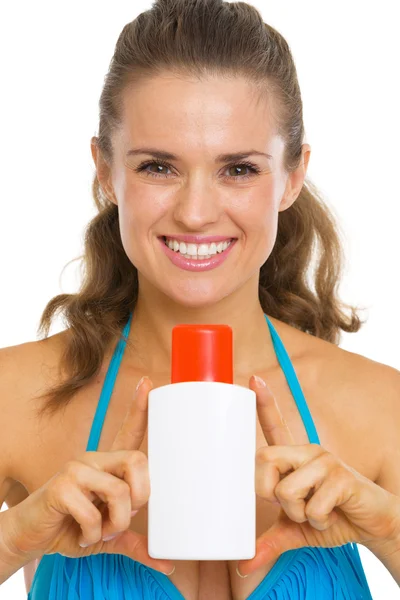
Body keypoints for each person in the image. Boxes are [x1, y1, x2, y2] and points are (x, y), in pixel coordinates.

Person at [0, 0, 399, 598]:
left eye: (238, 169)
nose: (194, 213)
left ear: (292, 176)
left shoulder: (378, 407)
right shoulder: (17, 398)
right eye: (158, 166)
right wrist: (14, 539)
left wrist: (390, 531)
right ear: (105, 171)